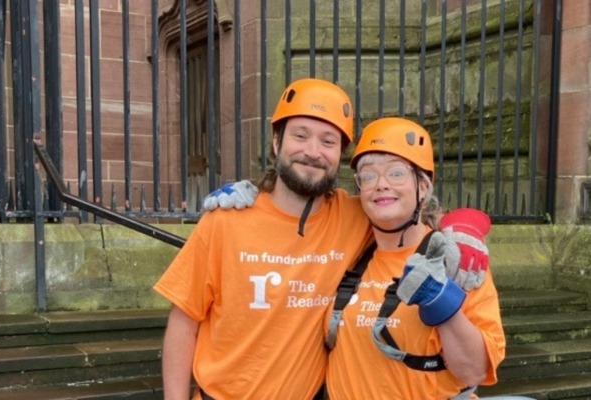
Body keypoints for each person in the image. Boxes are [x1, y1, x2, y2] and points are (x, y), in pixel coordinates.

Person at [154, 78, 489, 400]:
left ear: (339, 154)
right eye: (300, 135)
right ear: (277, 143)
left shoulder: (353, 214)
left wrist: (463, 226)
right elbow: (184, 323)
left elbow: (402, 207)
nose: (313, 151)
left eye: (328, 141)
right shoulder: (225, 220)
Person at [322, 117, 505, 399]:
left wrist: (443, 304)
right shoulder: (352, 248)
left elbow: (475, 371)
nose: (381, 184)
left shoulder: (456, 260)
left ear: (423, 185)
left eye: (396, 173)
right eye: (368, 176)